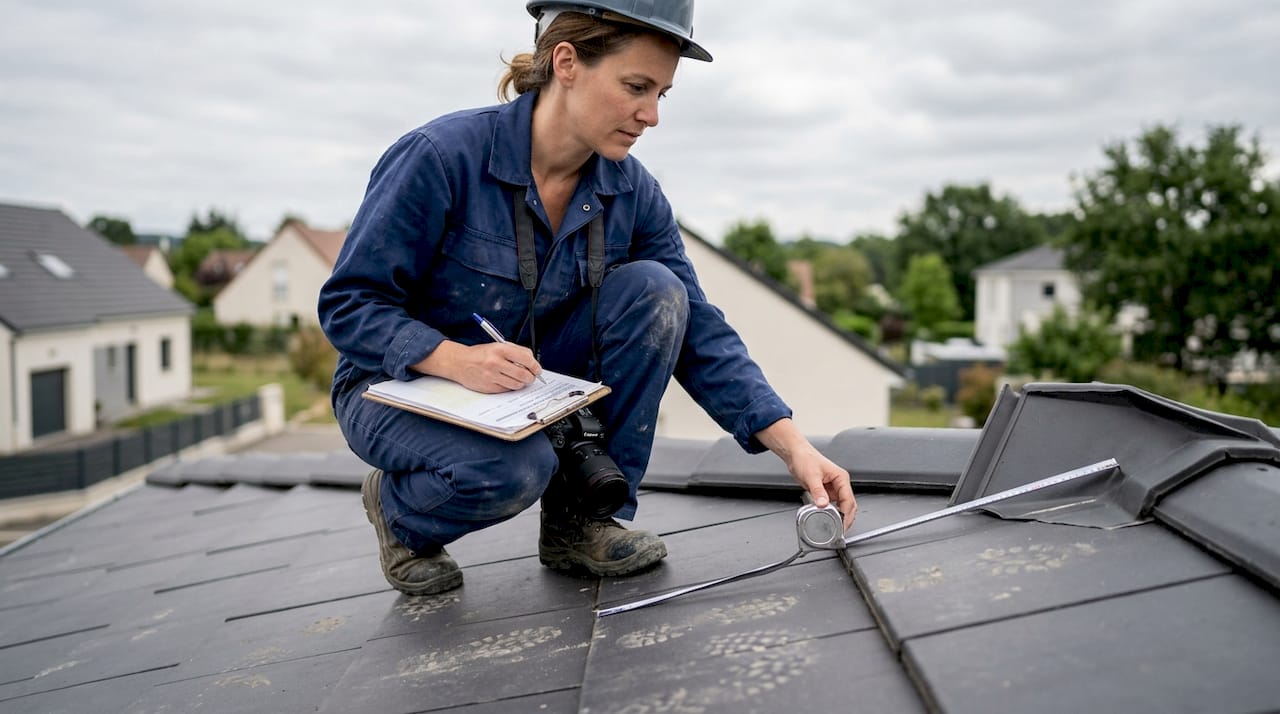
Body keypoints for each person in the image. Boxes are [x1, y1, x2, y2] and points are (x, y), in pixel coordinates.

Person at [318, 0, 856, 597]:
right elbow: (348, 304)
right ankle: (399, 514)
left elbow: (698, 329)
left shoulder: (633, 192)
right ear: (567, 62)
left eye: (662, 94)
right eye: (636, 86)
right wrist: (452, 359)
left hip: (526, 390)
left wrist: (793, 448)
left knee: (658, 292)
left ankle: (583, 522)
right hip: (397, 389)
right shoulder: (440, 158)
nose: (650, 115)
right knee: (513, 469)